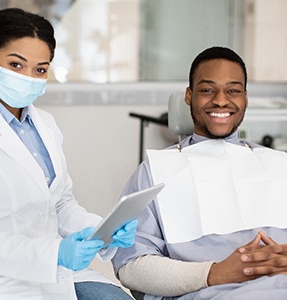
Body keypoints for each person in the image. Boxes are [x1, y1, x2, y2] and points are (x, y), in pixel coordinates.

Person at [112, 46, 287, 300]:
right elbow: (131, 268)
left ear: (245, 98)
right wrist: (213, 273)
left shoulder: (278, 164)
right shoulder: (155, 172)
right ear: (189, 96)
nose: (220, 100)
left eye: (233, 91)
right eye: (207, 90)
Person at [0, 7, 137, 300]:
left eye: (40, 69)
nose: (29, 77)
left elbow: (59, 204)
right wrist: (54, 253)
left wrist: (99, 230)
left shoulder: (45, 126)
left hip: (57, 275)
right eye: (16, 65)